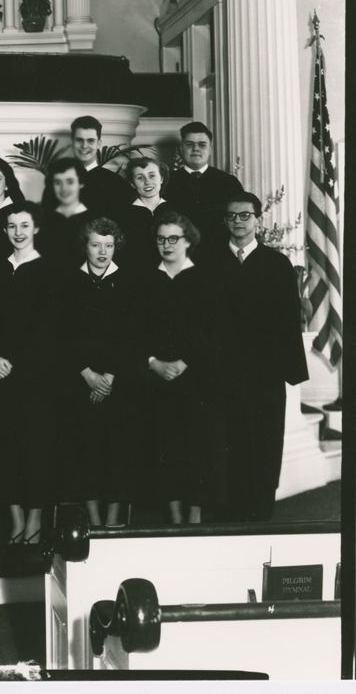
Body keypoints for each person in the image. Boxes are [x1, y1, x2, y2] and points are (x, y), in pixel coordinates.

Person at [212, 193, 308, 521]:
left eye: (244, 215)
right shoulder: (210, 263)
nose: (238, 222)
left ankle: (261, 511)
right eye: (231, 216)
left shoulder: (276, 264)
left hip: (264, 374)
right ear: (224, 221)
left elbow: (288, 321)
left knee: (264, 443)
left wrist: (290, 369)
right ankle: (226, 515)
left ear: (258, 219)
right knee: (226, 443)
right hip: (221, 372)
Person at [0, 202, 61, 545]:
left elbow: (52, 330)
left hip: (37, 377)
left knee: (36, 450)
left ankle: (35, 522)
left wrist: (27, 364)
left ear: (35, 229)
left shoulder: (49, 271)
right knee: (4, 449)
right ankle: (16, 522)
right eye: (12, 226)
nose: (18, 232)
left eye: (24, 225)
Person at [136, 211, 217, 524]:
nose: (166, 244)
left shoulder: (205, 280)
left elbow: (213, 331)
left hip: (195, 378)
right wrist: (154, 364)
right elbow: (135, 331)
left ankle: (194, 513)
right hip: (156, 378)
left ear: (188, 241)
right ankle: (173, 515)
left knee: (196, 446)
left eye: (173, 238)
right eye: (161, 238)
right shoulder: (146, 280)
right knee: (163, 445)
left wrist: (184, 363)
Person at [59, 217, 136, 528]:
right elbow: (61, 335)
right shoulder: (68, 283)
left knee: (118, 450)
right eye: (96, 245)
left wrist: (110, 377)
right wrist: (87, 374)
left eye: (109, 245)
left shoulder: (129, 282)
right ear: (85, 246)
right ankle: (92, 519)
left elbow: (133, 335)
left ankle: (113, 521)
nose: (103, 252)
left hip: (119, 383)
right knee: (84, 449)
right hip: (80, 381)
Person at [163, 122, 244, 261]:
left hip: (220, 258)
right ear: (181, 148)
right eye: (189, 144)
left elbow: (240, 221)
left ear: (210, 148)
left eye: (202, 144)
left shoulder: (229, 182)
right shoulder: (166, 182)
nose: (196, 149)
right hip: (178, 259)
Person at [69, 115, 130, 219]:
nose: (84, 146)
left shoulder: (115, 183)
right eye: (79, 140)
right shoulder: (57, 179)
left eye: (90, 140)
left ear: (99, 144)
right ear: (72, 142)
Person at [115, 156, 168, 273]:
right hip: (136, 277)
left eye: (152, 175)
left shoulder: (176, 211)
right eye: (140, 177)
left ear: (161, 179)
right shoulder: (122, 216)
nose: (147, 181)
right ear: (132, 184)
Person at [37, 157, 91, 266]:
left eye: (70, 182)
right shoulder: (41, 220)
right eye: (58, 182)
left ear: (81, 183)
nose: (63, 188)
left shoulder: (94, 220)